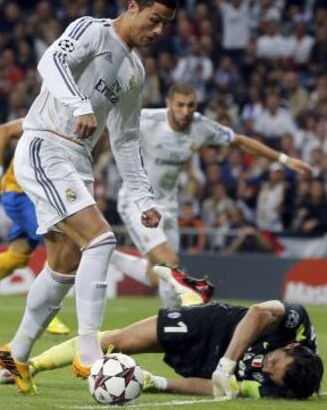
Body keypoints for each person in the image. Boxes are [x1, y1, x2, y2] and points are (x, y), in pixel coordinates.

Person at [0, 0, 177, 395]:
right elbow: (49, 63)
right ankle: (90, 350)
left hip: (77, 161)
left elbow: (127, 139)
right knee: (101, 240)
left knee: (63, 266)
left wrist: (145, 196)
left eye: (165, 24)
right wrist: (79, 104)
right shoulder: (91, 30)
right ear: (132, 7)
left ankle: (17, 352)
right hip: (46, 144)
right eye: (154, 20)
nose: (158, 32)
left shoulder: (134, 70)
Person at [0, 266, 323, 401]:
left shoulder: (280, 388)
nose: (264, 367)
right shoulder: (297, 323)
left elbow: (223, 388)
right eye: (272, 361)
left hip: (204, 363)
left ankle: (192, 294)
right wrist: (229, 361)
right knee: (117, 341)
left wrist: (158, 383)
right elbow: (259, 312)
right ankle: (24, 366)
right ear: (291, 346)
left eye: (268, 375)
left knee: (220, 381)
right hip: (214, 325)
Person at [109, 83, 312, 307]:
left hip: (168, 206)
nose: (185, 111)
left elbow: (240, 142)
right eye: (180, 105)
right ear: (169, 104)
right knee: (171, 263)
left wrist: (283, 159)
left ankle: (110, 255)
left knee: (162, 277)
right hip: (137, 203)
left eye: (191, 106)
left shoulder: (200, 126)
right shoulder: (146, 120)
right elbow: (109, 120)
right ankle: (180, 321)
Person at [0, 119, 69, 335]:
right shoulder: (49, 113)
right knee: (58, 246)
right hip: (22, 194)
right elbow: (1, 130)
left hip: (40, 195)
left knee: (19, 255)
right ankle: (45, 311)